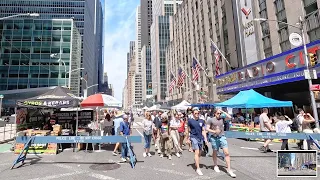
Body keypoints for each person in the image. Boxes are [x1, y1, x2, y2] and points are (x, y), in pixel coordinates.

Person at [206, 109, 236, 178]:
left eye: (220, 113)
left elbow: (230, 117)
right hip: (214, 137)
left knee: (226, 152)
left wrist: (223, 111)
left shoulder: (222, 118)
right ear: (214, 113)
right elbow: (207, 128)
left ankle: (229, 169)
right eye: (218, 113)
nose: (219, 115)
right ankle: (215, 165)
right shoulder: (210, 120)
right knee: (215, 151)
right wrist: (214, 131)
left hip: (222, 136)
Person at [186, 109, 208, 176]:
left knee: (200, 153)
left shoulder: (202, 121)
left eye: (198, 113)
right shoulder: (190, 121)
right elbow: (187, 130)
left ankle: (196, 160)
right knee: (197, 151)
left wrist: (205, 139)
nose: (197, 114)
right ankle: (198, 168)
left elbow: (203, 130)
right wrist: (187, 138)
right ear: (193, 114)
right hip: (193, 137)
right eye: (195, 113)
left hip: (200, 138)